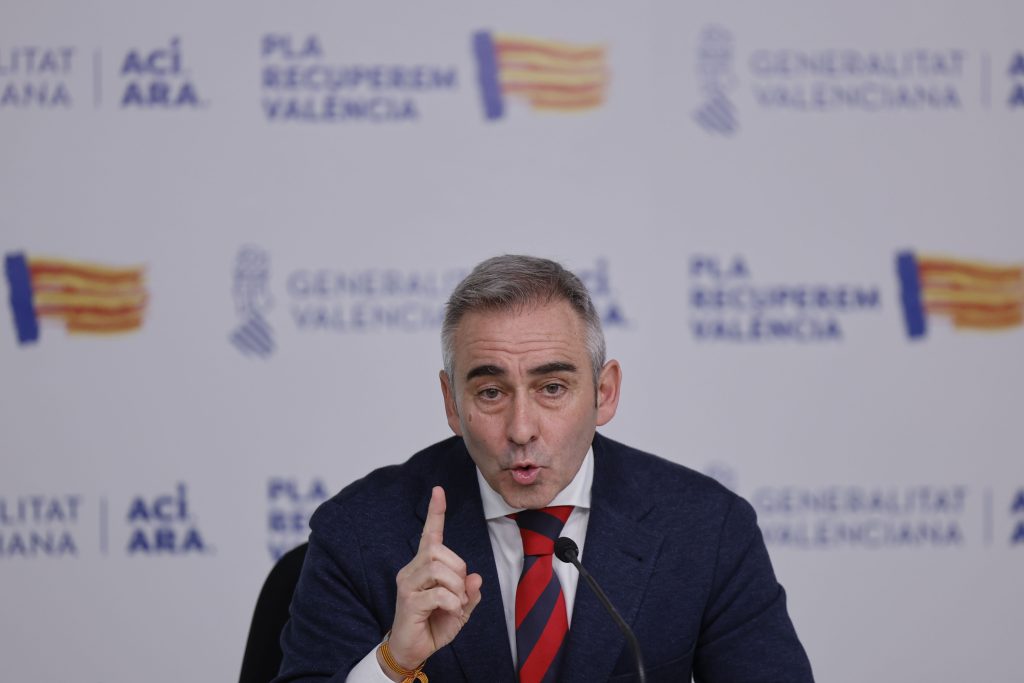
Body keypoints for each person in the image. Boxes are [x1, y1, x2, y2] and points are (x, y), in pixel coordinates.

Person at [275, 255, 814, 683]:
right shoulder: (361, 531)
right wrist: (394, 662)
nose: (521, 429)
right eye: (490, 392)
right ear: (451, 403)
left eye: (552, 388)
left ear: (605, 393)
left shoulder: (707, 528)